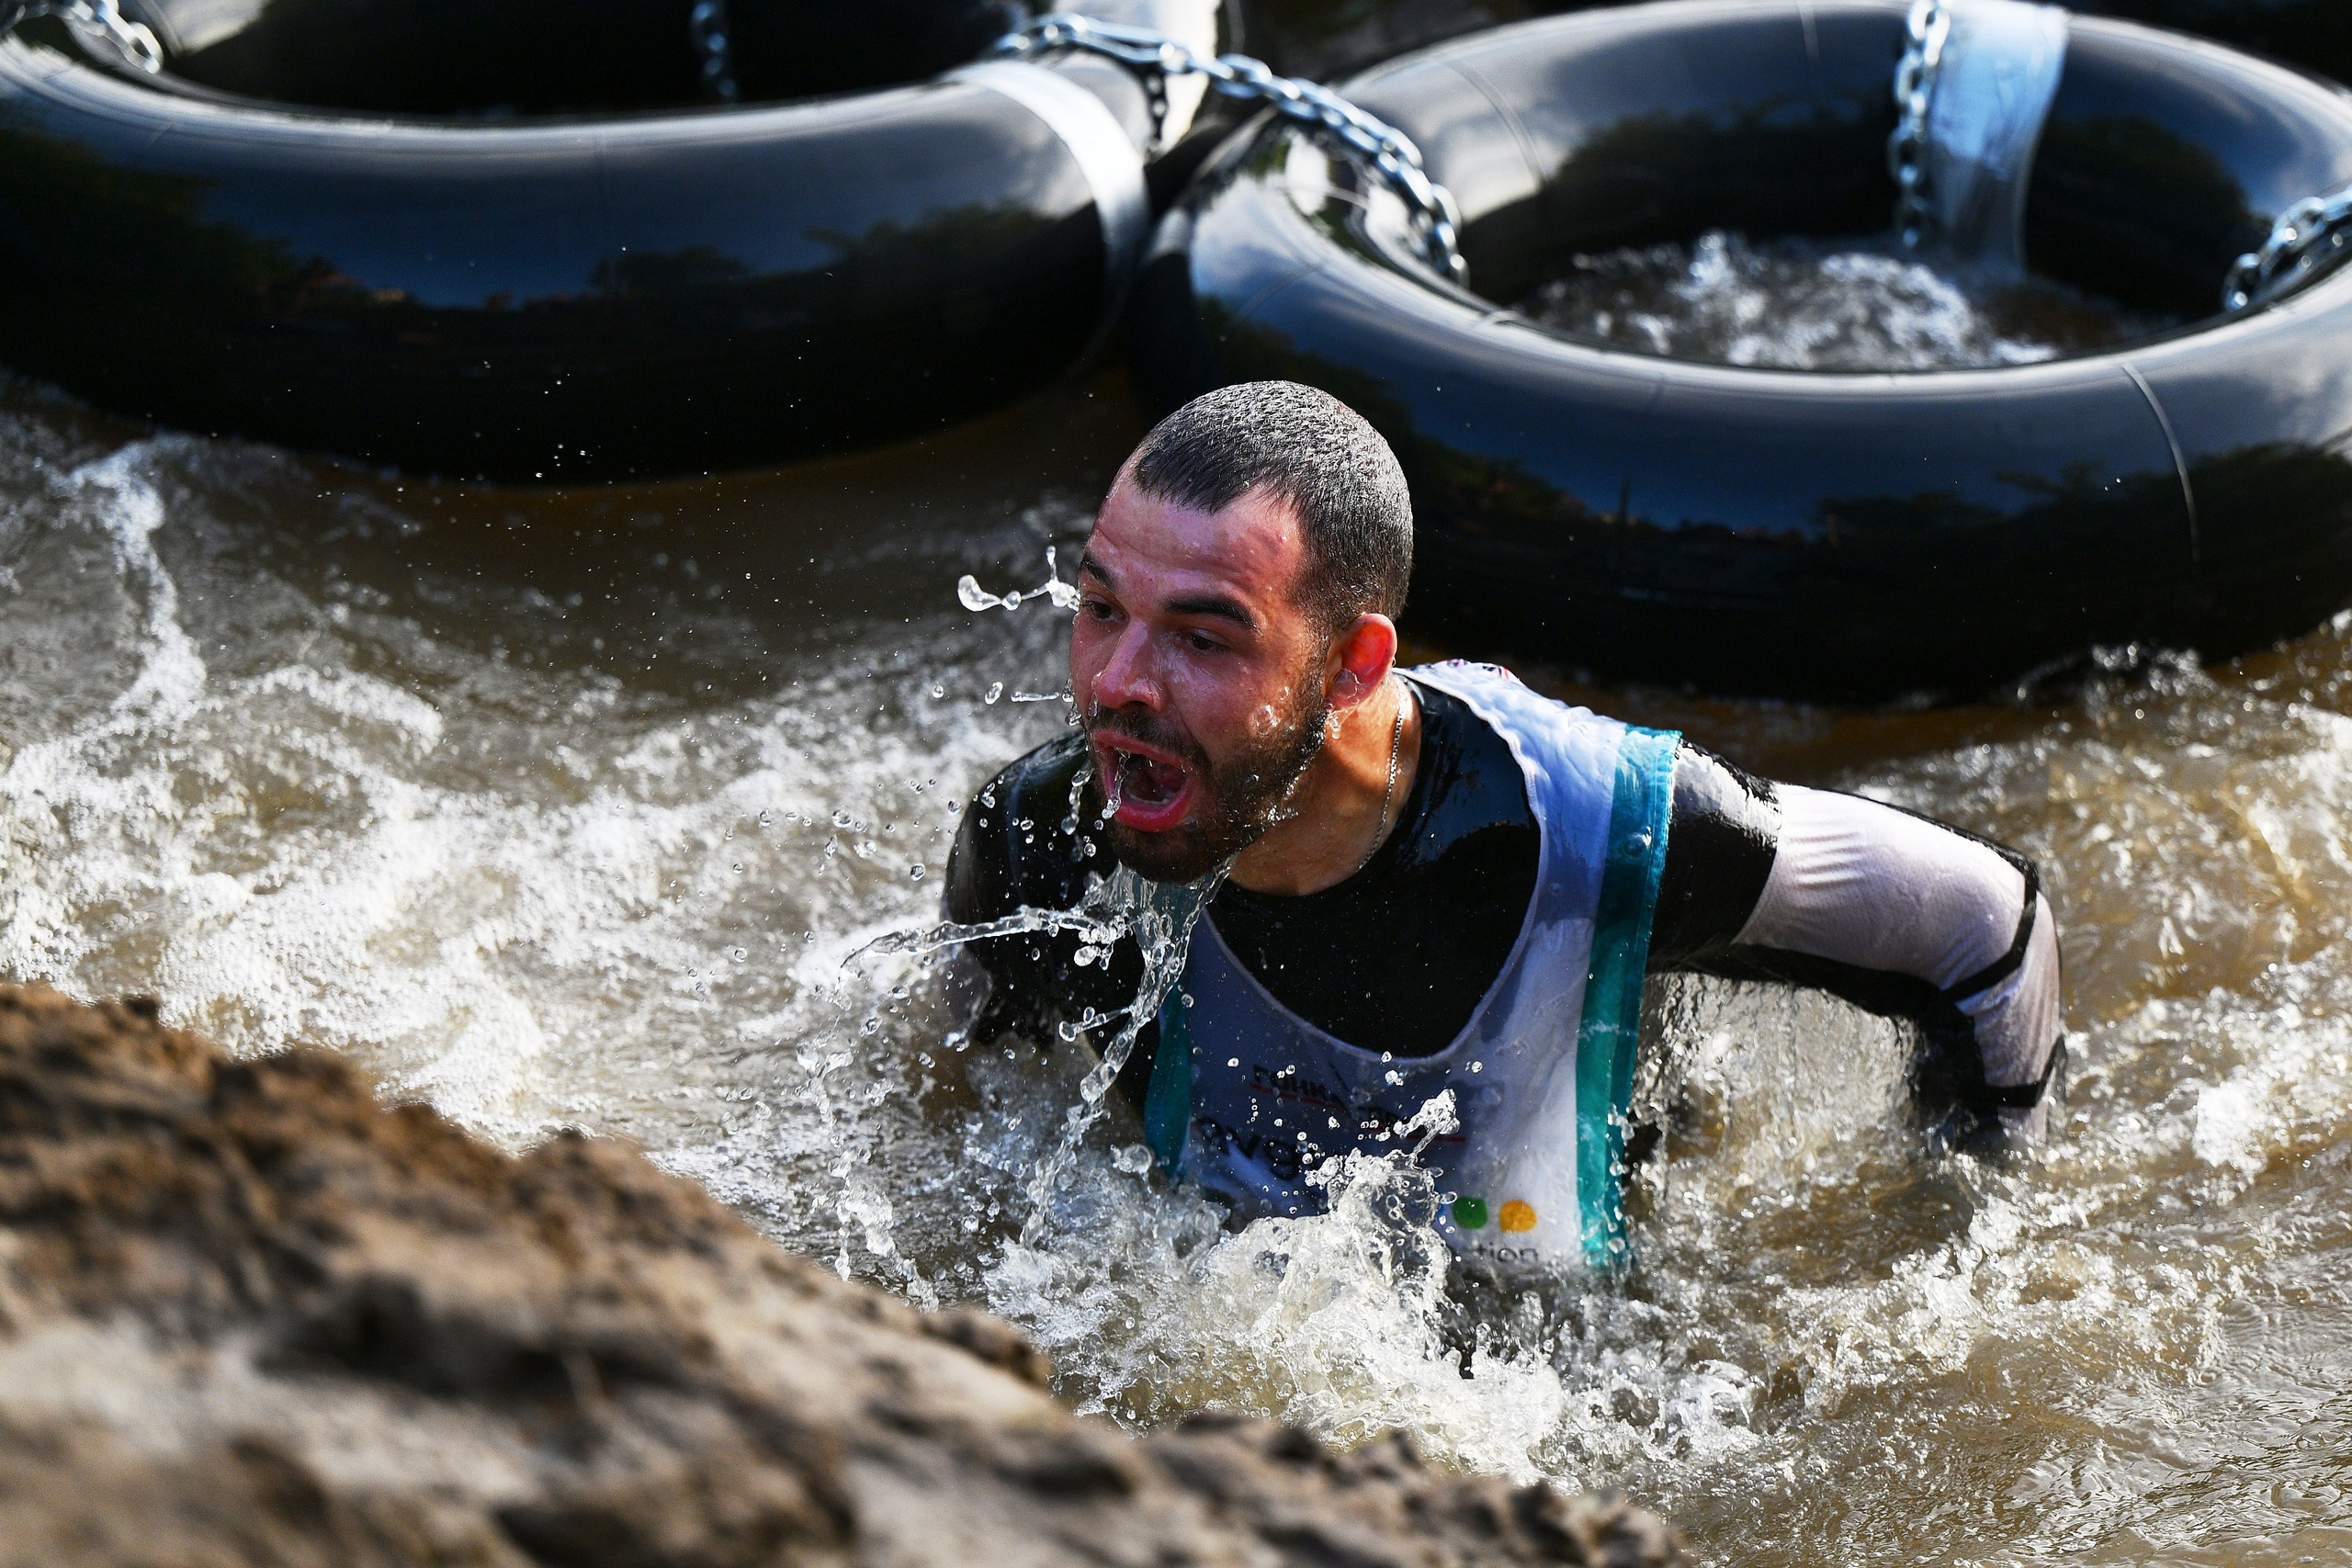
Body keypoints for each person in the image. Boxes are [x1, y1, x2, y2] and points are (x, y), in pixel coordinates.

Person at [946, 381, 2064, 1269]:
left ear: (1351, 668)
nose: (1119, 686)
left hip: (1589, 1349)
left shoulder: (1599, 827)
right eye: (1101, 610)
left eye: (1203, 639)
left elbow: (1984, 917)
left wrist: (1963, 1230)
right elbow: (953, 1119)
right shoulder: (1037, 846)